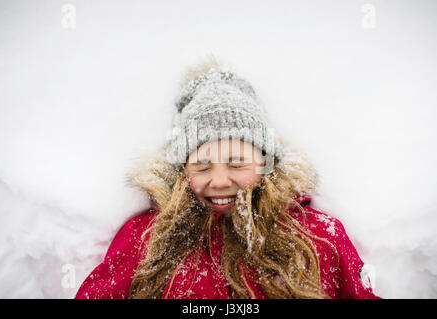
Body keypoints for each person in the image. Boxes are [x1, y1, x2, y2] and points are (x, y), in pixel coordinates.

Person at [75, 57, 380, 299]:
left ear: (265, 164)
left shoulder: (318, 237)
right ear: (182, 170)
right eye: (203, 166)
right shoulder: (146, 240)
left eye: (236, 165)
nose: (219, 181)